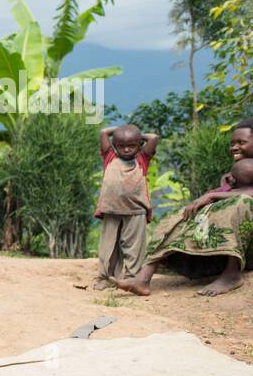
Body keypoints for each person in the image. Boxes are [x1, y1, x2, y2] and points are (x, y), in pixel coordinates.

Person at [114, 119, 253, 297]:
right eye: (232, 143)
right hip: (229, 250)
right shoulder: (237, 171)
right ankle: (143, 278)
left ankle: (232, 274)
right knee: (179, 215)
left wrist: (213, 196)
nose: (234, 147)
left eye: (241, 143)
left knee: (240, 203)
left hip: (247, 248)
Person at [93, 123, 160, 288]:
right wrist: (120, 131)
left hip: (136, 211)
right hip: (111, 210)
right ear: (114, 146)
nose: (127, 150)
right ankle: (105, 279)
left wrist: (135, 133)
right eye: (121, 146)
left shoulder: (142, 159)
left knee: (134, 248)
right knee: (108, 248)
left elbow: (153, 138)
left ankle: (132, 278)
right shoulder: (109, 157)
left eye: (132, 145)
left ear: (139, 146)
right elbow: (103, 132)